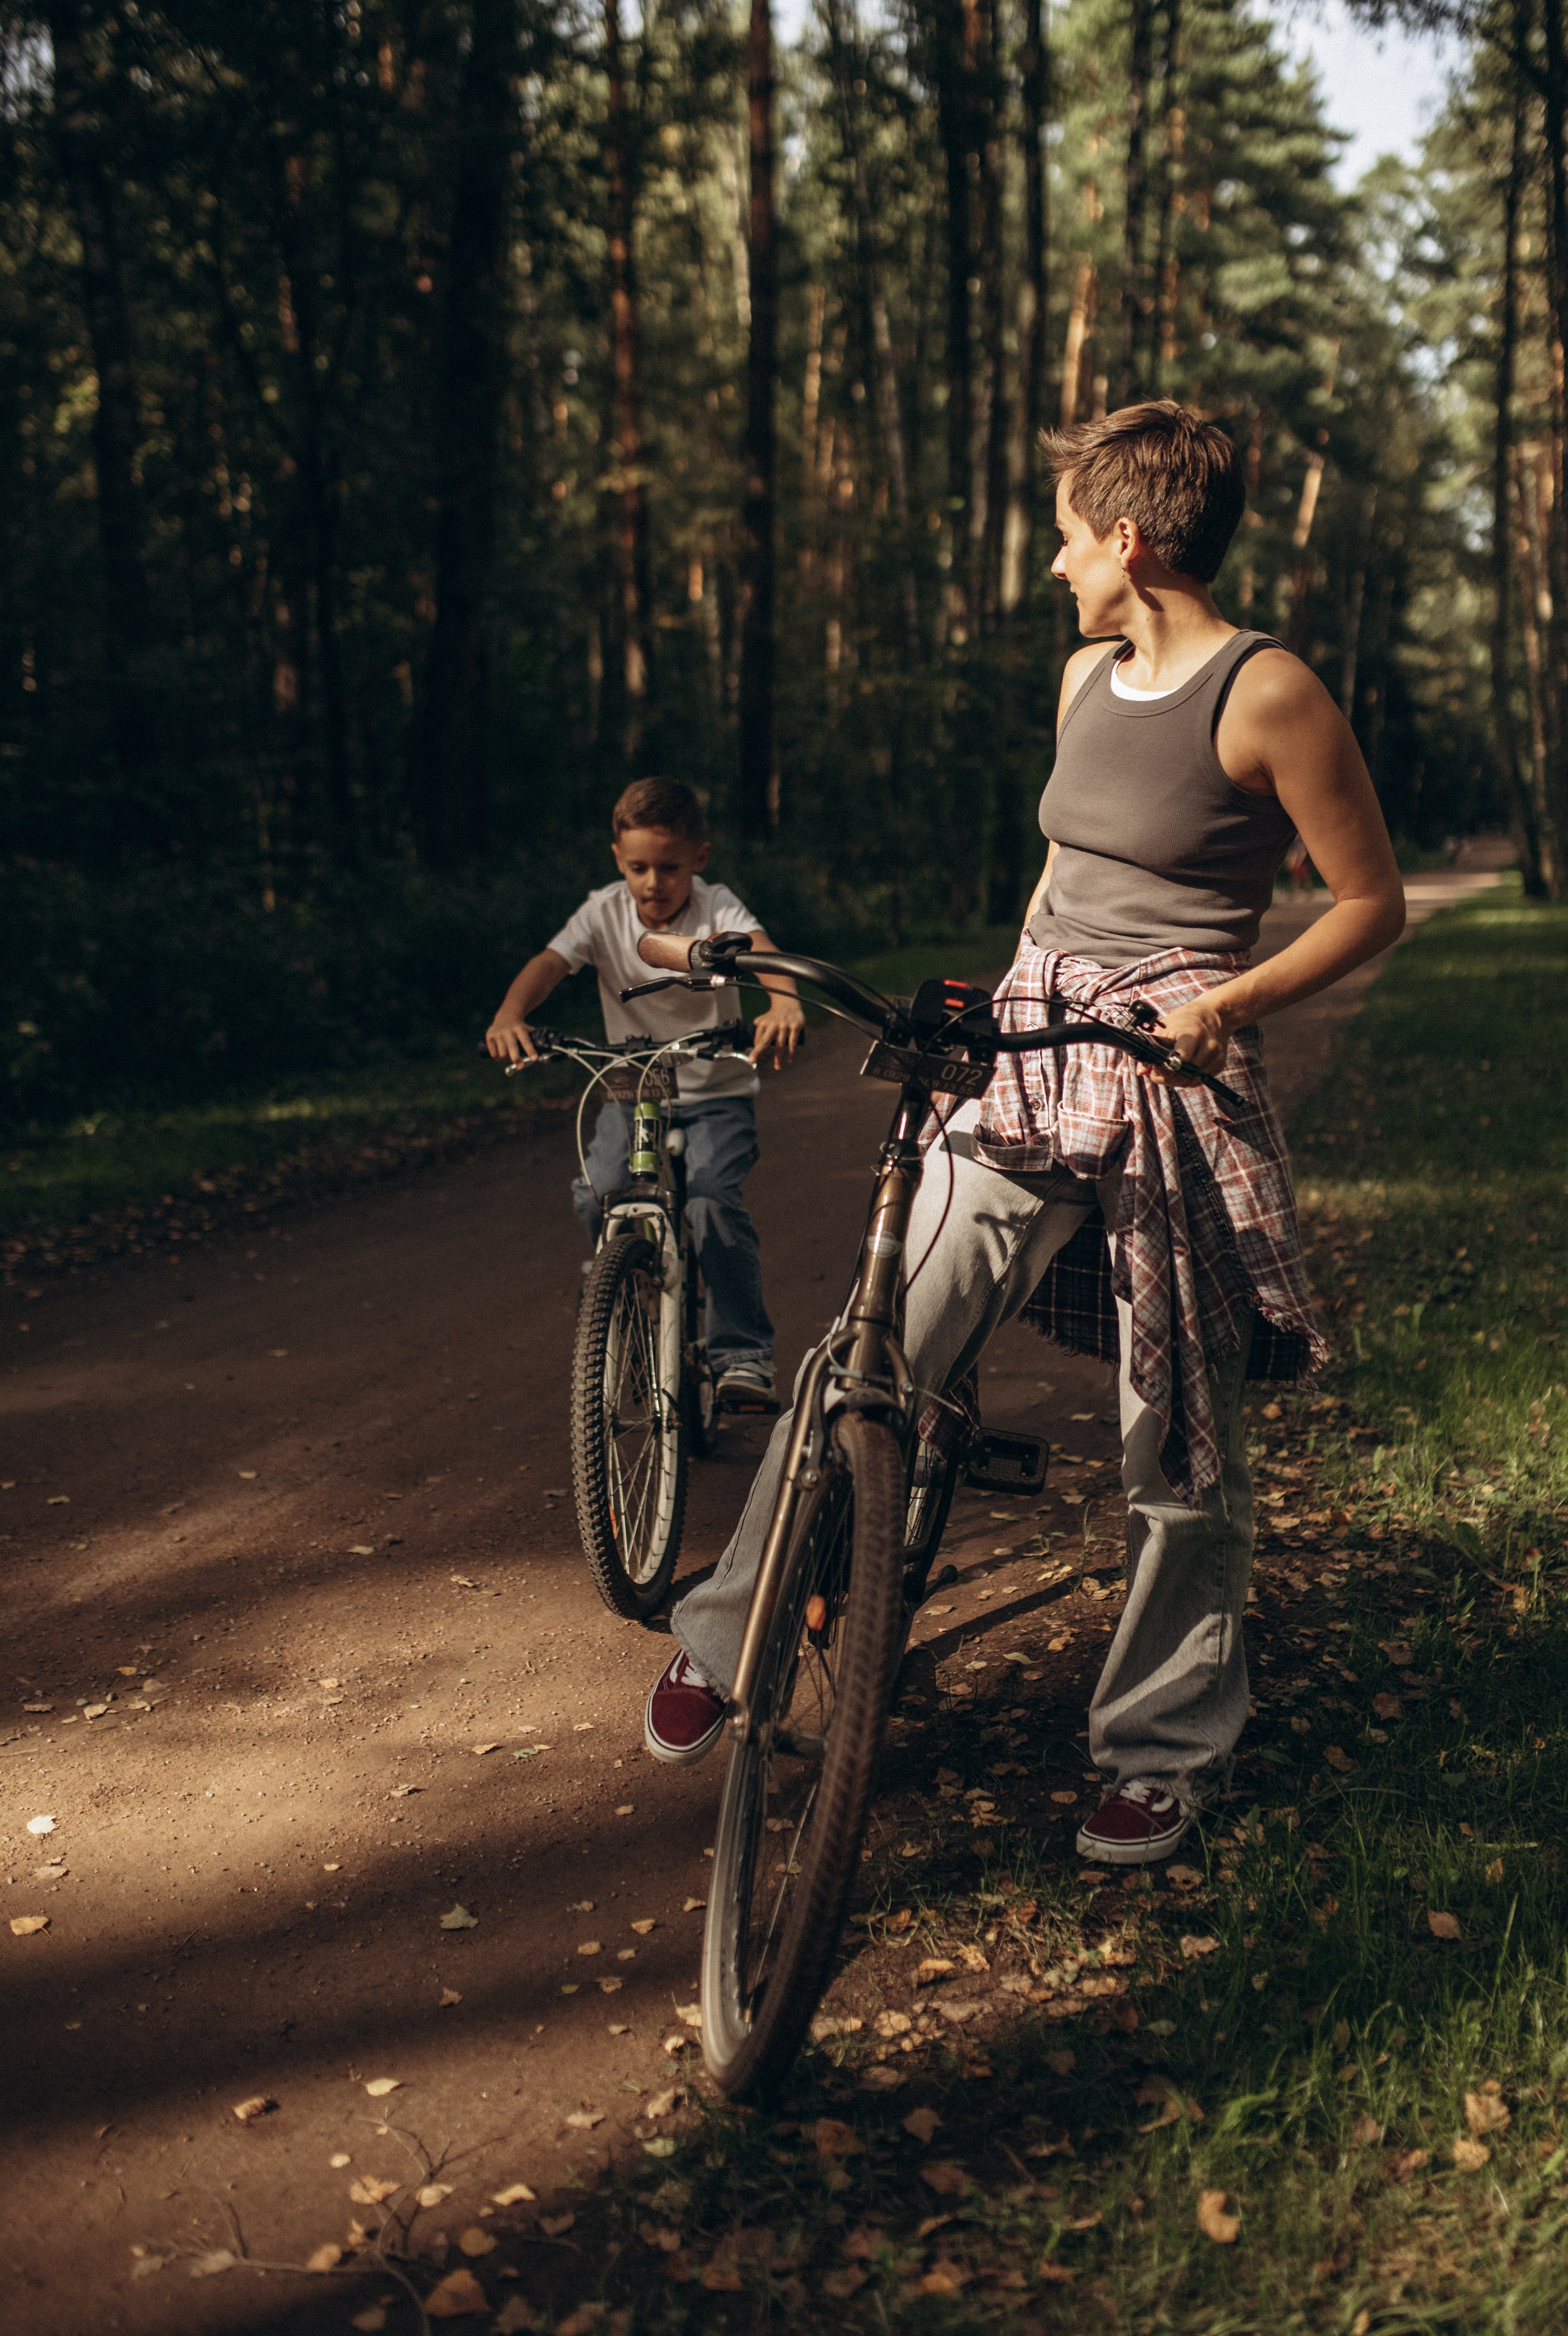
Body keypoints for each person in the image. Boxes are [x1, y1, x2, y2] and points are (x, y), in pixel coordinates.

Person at [640, 400, 1406, 1860]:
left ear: (1127, 539)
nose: (1055, 566)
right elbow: (1056, 882)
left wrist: (1230, 1004)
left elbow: (1366, 901)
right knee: (871, 1346)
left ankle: (1162, 1747)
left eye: (1065, 538)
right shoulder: (1079, 678)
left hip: (1165, 1070)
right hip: (1032, 1045)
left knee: (1170, 1441)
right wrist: (989, 1012)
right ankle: (731, 1628)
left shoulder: (1270, 694)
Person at [485, 775, 804, 1414]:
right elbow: (551, 964)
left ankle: (742, 1355)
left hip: (715, 1086)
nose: (653, 883)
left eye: (669, 868)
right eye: (638, 868)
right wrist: (509, 1014)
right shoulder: (601, 911)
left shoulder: (718, 910)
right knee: (599, 1190)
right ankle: (624, 1288)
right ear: (617, 861)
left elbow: (764, 954)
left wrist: (784, 1003)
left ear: (699, 860)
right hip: (631, 1087)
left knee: (712, 1201)